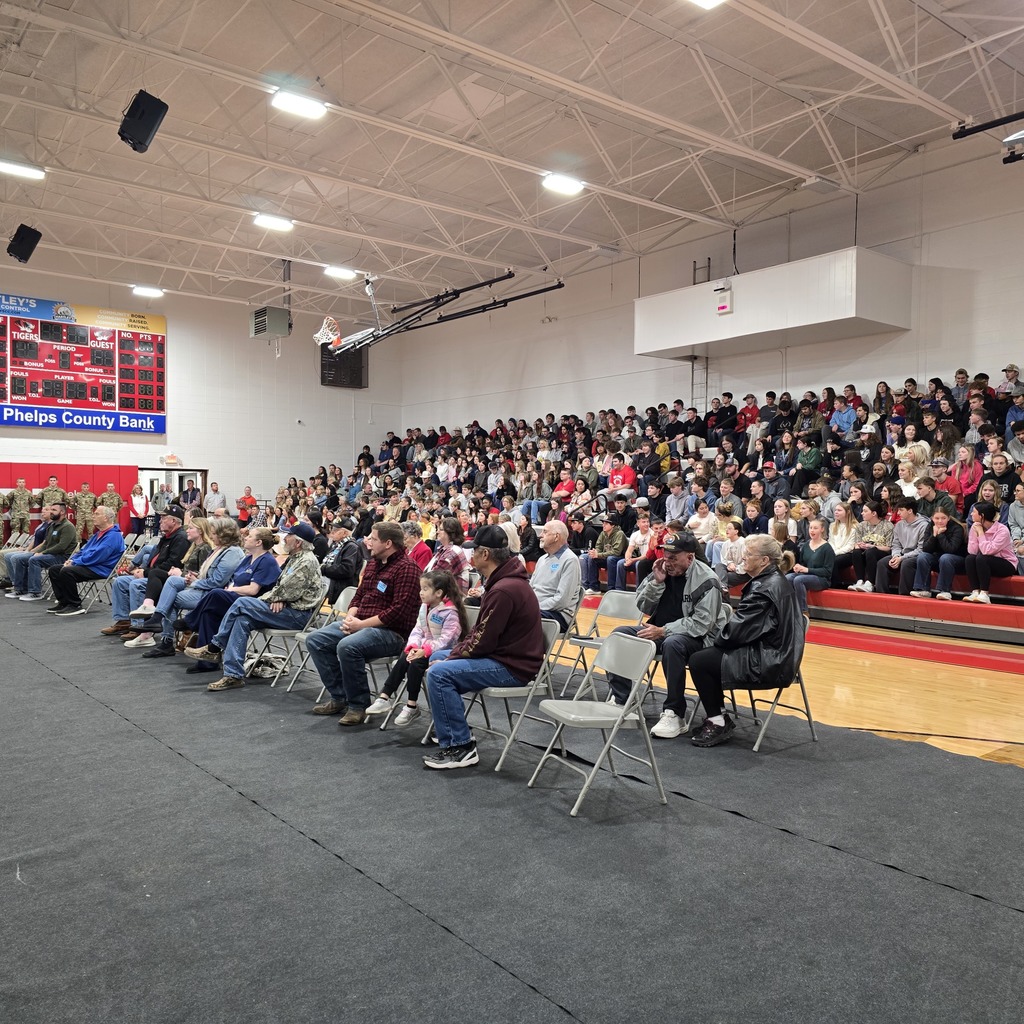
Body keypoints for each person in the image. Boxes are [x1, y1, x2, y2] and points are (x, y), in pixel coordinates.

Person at [423, 525, 544, 770]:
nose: (470, 556)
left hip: (512, 666)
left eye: (474, 551)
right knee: (437, 655)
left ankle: (461, 746)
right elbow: (481, 634)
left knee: (439, 672)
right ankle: (451, 727)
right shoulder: (501, 582)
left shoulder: (504, 589)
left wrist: (451, 659)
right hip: (501, 655)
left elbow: (482, 641)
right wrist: (452, 655)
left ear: (486, 555)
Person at [687, 534, 803, 747]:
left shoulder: (764, 588)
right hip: (777, 651)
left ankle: (718, 720)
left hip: (772, 659)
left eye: (749, 554)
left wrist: (715, 639)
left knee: (699, 660)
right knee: (707, 655)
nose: (743, 557)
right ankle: (719, 716)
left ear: (764, 561)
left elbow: (736, 633)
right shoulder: (772, 580)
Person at [304, 521, 421, 724]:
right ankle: (340, 697)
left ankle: (358, 705)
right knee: (316, 639)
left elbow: (398, 613)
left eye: (373, 539)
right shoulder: (374, 563)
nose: (367, 542)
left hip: (392, 633)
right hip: (362, 623)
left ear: (388, 543)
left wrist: (361, 625)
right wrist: (350, 616)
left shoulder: (408, 569)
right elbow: (359, 595)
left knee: (348, 646)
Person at [185, 521, 326, 691]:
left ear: (298, 542)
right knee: (242, 619)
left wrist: (278, 597)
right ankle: (233, 675)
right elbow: (281, 589)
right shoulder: (295, 558)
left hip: (298, 615)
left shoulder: (305, 562)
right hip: (287, 609)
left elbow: (286, 591)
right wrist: (278, 597)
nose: (284, 539)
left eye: (288, 536)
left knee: (242, 602)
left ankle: (214, 646)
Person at [365, 571, 468, 727]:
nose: (421, 592)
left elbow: (446, 640)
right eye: (421, 588)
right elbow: (418, 630)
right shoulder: (424, 607)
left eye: (425, 589)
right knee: (406, 656)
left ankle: (412, 705)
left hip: (444, 654)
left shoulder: (451, 613)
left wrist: (425, 650)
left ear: (439, 593)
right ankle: (384, 697)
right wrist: (413, 645)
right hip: (425, 649)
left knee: (416, 662)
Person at [136, 518, 246, 658]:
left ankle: (165, 639)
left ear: (223, 534)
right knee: (172, 581)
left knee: (169, 598)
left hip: (211, 594)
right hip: (203, 586)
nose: (211, 536)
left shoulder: (232, 553)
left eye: (213, 533)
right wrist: (196, 576)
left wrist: (195, 581)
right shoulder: (219, 549)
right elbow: (207, 575)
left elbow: (217, 582)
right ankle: (158, 620)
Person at [179, 528, 281, 674]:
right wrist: (231, 588)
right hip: (237, 597)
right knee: (209, 613)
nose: (245, 537)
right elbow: (234, 580)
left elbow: (253, 590)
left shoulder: (267, 561)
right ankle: (207, 663)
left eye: (250, 536)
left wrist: (230, 590)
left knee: (215, 594)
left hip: (252, 603)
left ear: (258, 542)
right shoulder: (247, 558)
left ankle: (190, 621)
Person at [103, 508, 190, 638]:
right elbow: (154, 560)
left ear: (173, 521)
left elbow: (172, 564)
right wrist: (143, 570)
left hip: (164, 579)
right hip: (152, 573)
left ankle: (139, 626)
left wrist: (145, 572)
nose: (160, 521)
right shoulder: (166, 537)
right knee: (120, 582)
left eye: (164, 518)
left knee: (136, 585)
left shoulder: (180, 538)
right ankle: (123, 621)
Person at [47, 506, 125, 616]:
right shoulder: (98, 534)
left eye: (97, 514)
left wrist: (75, 563)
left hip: (101, 569)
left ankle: (74, 605)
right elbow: (83, 551)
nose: (93, 516)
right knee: (54, 570)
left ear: (106, 518)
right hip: (90, 565)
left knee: (67, 571)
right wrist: (72, 560)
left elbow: (98, 556)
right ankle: (64, 602)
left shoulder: (114, 536)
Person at [5, 502, 77, 600]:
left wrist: (42, 553)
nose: (51, 512)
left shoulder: (67, 526)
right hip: (50, 554)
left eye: (54, 510)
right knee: (20, 558)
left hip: (62, 557)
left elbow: (61, 547)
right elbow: (46, 543)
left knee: (34, 560)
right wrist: (33, 552)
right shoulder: (52, 526)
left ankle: (35, 592)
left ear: (63, 512)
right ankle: (20, 589)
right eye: (50, 509)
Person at [528, 520, 581, 632]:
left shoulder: (570, 560)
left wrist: (534, 607)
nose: (540, 535)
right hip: (537, 609)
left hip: (558, 614)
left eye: (545, 532)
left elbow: (561, 601)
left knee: (521, 618)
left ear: (556, 537)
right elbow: (530, 589)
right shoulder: (542, 559)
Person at [963, 501, 1018, 603]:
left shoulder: (1002, 530)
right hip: (986, 561)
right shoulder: (976, 526)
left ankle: (984, 594)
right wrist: (976, 532)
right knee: (970, 558)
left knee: (982, 558)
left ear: (982, 515)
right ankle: (975, 591)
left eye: (974, 512)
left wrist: (980, 533)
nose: (971, 514)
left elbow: (987, 551)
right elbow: (972, 551)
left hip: (1006, 563)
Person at [909, 507, 968, 600]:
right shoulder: (930, 526)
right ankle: (923, 589)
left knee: (945, 557)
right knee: (923, 556)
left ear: (948, 518)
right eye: (937, 518)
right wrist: (934, 536)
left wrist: (941, 535)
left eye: (943, 518)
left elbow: (951, 549)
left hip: (956, 559)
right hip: (938, 558)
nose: (940, 521)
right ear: (932, 518)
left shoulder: (957, 528)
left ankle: (945, 591)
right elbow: (926, 549)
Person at [875, 497, 930, 595]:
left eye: (901, 510)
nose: (898, 513)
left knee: (906, 564)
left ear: (910, 511)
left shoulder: (923, 525)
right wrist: (896, 556)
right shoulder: (899, 524)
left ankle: (904, 595)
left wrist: (902, 558)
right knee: (882, 563)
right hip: (901, 554)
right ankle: (881, 594)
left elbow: (921, 549)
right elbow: (896, 544)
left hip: (916, 556)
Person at [786, 518, 834, 612]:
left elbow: (827, 571)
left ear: (822, 529)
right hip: (807, 575)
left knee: (799, 579)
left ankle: (802, 611)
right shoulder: (806, 545)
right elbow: (802, 563)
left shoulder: (827, 548)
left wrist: (807, 570)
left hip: (821, 579)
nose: (812, 530)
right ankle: (790, 608)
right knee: (788, 577)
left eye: (815, 528)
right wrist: (798, 567)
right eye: (810, 528)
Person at [848, 500, 895, 592]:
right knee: (856, 552)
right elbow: (856, 544)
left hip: (881, 551)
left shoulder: (888, 526)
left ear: (874, 513)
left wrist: (873, 546)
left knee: (871, 552)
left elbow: (889, 547)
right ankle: (860, 581)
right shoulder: (861, 525)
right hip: (865, 550)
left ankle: (870, 583)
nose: (862, 513)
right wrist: (860, 545)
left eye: (865, 511)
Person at [319, 516, 365, 604]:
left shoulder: (352, 547)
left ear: (344, 533)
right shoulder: (336, 544)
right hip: (328, 578)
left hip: (338, 583)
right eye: (332, 528)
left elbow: (345, 570)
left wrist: (323, 569)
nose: (332, 532)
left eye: (335, 530)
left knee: (306, 583)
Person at [581, 513, 627, 595]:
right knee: (590, 557)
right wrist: (595, 553)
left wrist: (599, 555)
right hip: (606, 557)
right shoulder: (603, 533)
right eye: (603, 523)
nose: (603, 525)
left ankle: (611, 588)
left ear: (613, 525)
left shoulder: (620, 534)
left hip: (620, 558)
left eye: (606, 523)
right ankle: (594, 587)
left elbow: (616, 552)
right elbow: (598, 546)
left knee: (611, 559)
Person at [424, 516, 470, 591]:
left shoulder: (452, 552)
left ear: (450, 532)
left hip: (452, 598)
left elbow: (432, 578)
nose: (437, 531)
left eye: (441, 529)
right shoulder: (444, 548)